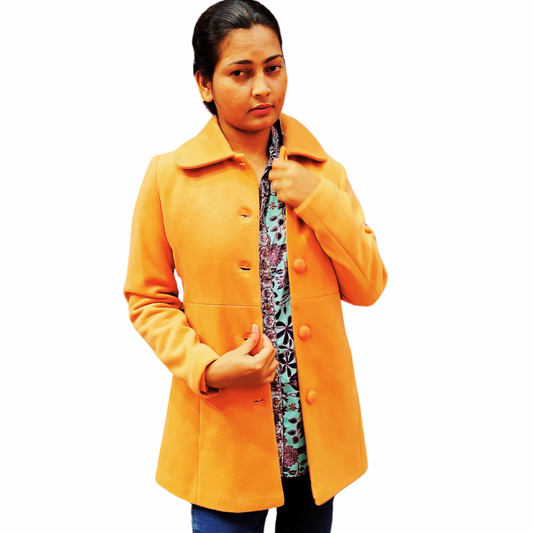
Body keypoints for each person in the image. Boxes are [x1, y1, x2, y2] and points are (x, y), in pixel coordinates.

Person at [123, 0, 388, 531]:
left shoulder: (324, 173)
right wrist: (207, 368)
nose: (263, 88)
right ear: (205, 84)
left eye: (274, 67)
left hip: (313, 437)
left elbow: (369, 286)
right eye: (240, 73)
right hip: (225, 432)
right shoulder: (168, 178)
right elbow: (148, 298)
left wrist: (317, 198)